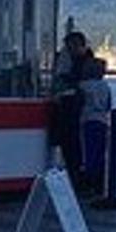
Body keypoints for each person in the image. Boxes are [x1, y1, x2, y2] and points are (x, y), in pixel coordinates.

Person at [48, 30, 90, 175]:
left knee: (71, 138)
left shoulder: (80, 63)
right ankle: (74, 168)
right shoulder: (83, 61)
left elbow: (69, 79)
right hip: (71, 104)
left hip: (71, 104)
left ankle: (74, 168)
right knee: (71, 139)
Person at [76, 55, 113, 193]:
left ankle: (88, 182)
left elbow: (78, 104)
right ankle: (99, 183)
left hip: (87, 119)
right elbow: (108, 105)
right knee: (100, 152)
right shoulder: (105, 86)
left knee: (87, 152)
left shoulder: (82, 86)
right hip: (102, 121)